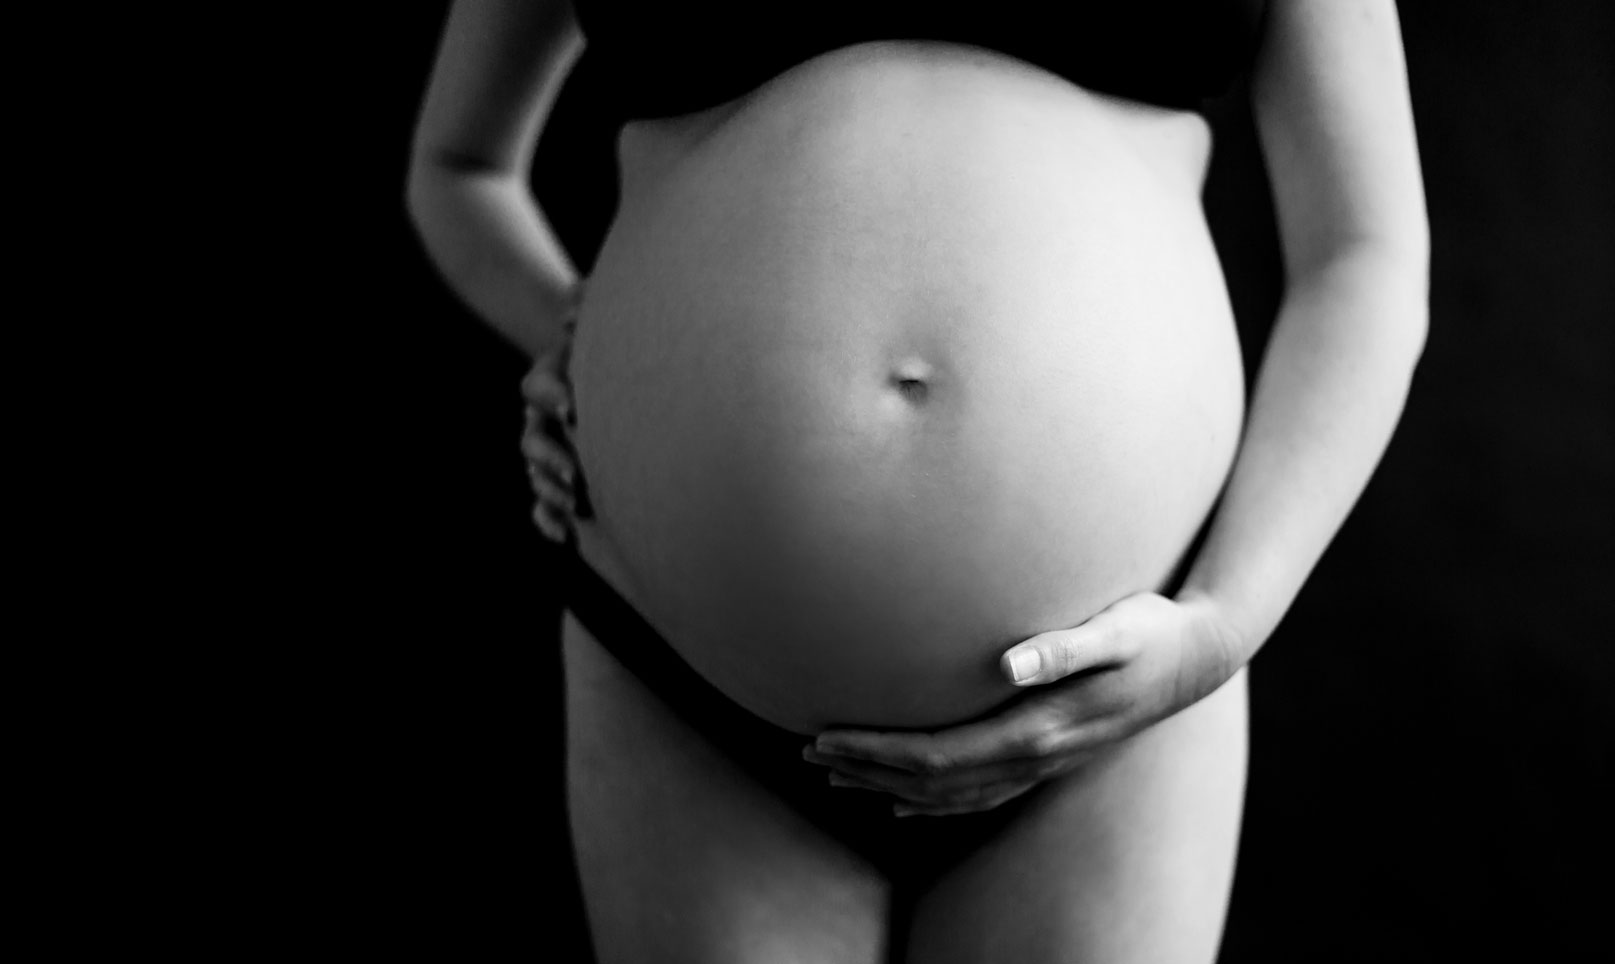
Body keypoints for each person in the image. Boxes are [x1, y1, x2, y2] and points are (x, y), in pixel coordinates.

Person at [406, 1, 1429, 960]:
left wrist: (1219, 628)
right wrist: (582, 349)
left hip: (1120, 677)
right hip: (673, 652)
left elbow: (1366, 254)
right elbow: (456, 168)